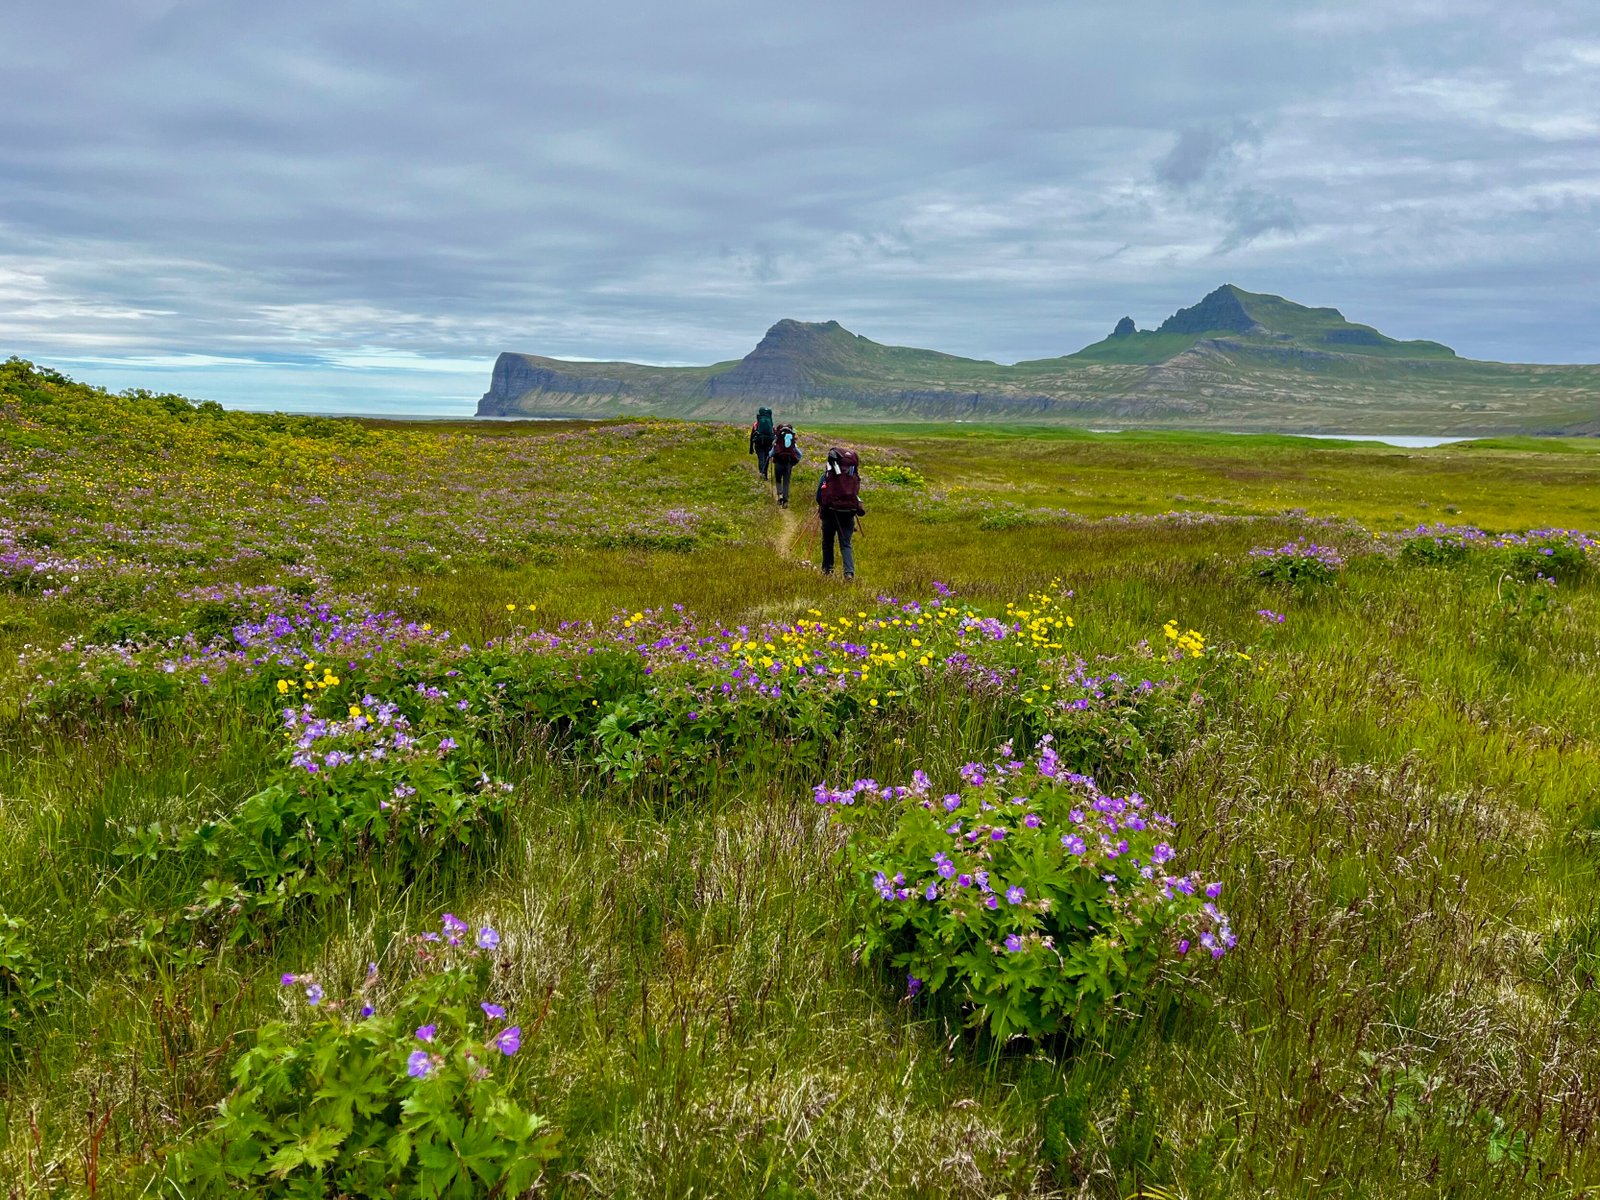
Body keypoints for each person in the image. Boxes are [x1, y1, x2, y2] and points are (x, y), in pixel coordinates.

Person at [816, 446, 865, 579]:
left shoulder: (827, 475)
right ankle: (849, 572)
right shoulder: (852, 475)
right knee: (845, 543)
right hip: (849, 513)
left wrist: (821, 505)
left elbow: (818, 497)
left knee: (828, 542)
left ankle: (827, 570)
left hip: (830, 513)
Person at [770, 422, 801, 506]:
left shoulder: (777, 440)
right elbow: (800, 454)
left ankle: (780, 496)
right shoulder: (792, 442)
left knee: (778, 480)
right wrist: (793, 463)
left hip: (778, 463)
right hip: (788, 464)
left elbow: (771, 454)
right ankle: (785, 501)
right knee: (786, 482)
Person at [748, 406, 775, 479]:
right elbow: (774, 434)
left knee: (761, 459)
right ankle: (765, 475)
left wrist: (751, 448)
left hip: (758, 443)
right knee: (766, 459)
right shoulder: (771, 423)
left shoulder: (756, 424)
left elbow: (752, 436)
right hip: (769, 444)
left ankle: (761, 474)